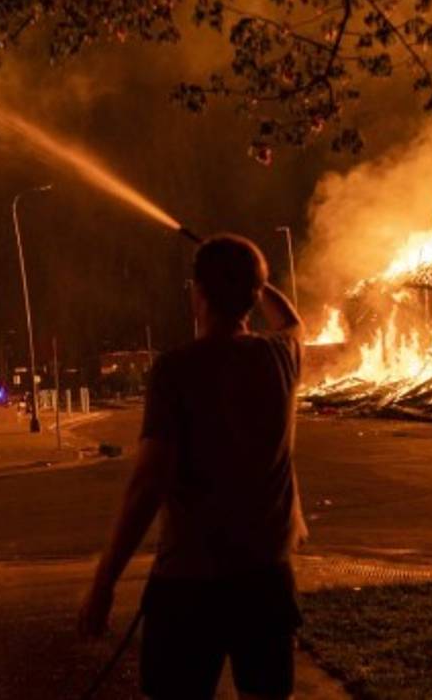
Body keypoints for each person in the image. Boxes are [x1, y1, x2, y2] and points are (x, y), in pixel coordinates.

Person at [79, 234, 308, 700]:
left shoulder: (176, 369)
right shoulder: (279, 357)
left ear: (196, 293)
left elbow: (148, 484)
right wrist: (254, 281)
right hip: (266, 580)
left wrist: (105, 583)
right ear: (252, 294)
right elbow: (293, 322)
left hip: (191, 582)